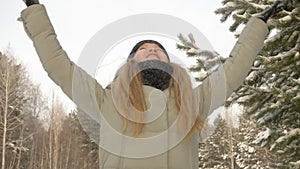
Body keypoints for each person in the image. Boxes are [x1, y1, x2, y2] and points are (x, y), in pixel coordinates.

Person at [18, 0, 282, 168]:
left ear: (168, 59)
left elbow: (233, 71)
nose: (152, 50)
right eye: (143, 48)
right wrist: (34, 9)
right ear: (131, 61)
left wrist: (257, 25)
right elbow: (58, 65)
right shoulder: (106, 101)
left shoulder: (192, 102)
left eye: (157, 48)